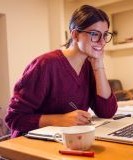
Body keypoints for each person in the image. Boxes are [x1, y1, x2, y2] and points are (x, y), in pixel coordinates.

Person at [5, 5, 118, 138]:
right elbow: (14, 118)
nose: (102, 42)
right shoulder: (46, 64)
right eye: (94, 34)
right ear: (75, 35)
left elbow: (107, 112)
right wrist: (59, 119)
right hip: (30, 145)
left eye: (105, 35)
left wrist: (99, 66)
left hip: (66, 142)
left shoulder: (90, 66)